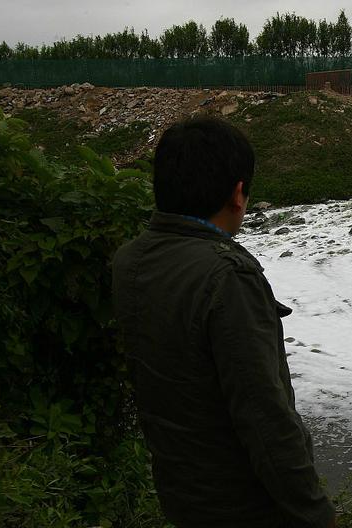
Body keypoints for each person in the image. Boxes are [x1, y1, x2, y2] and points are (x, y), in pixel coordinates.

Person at [112, 117, 335, 528]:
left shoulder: (131, 259)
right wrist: (315, 514)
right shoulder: (227, 277)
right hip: (244, 505)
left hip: (181, 492)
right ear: (237, 194)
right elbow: (265, 418)